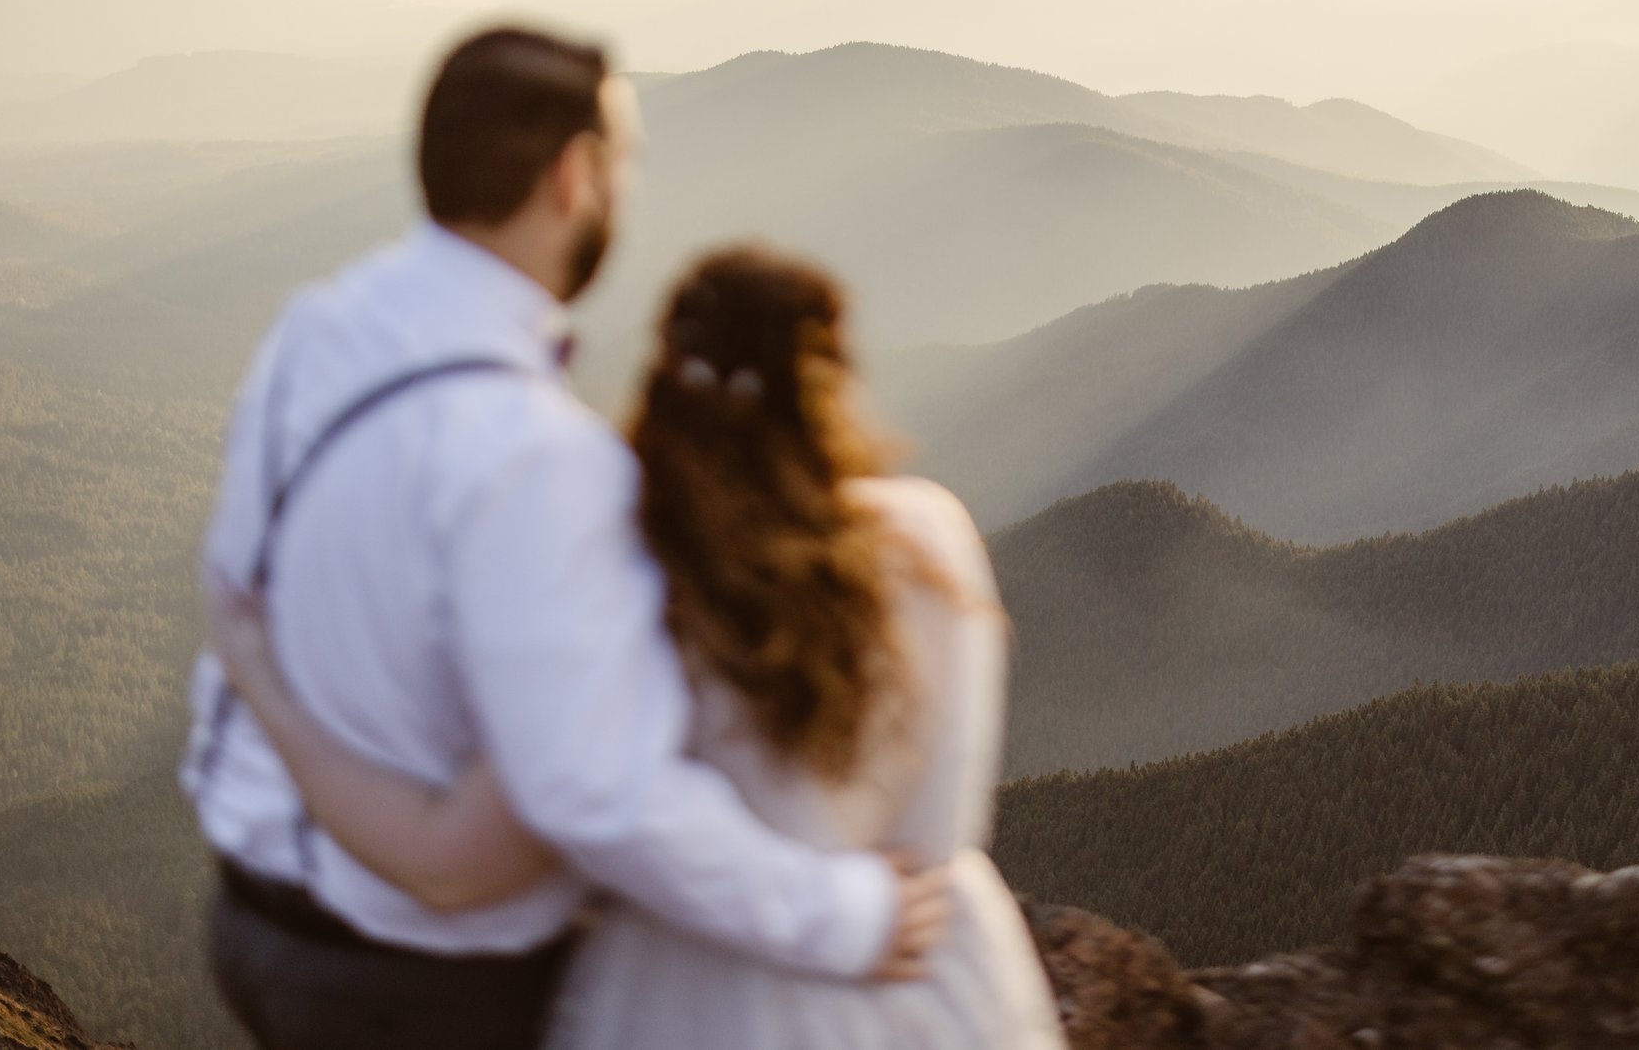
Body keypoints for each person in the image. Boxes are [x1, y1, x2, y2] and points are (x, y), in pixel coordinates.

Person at [181, 26, 951, 1050]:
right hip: (420, 985)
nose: (623, 190)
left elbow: (246, 589)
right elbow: (602, 794)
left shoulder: (312, 331)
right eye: (624, 161)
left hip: (250, 919)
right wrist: (843, 915)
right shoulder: (540, 457)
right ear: (572, 174)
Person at [205, 244, 1066, 1050]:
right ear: (831, 387)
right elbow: (951, 808)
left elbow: (608, 814)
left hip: (697, 998)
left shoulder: (633, 573)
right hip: (939, 979)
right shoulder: (933, 539)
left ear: (666, 379)